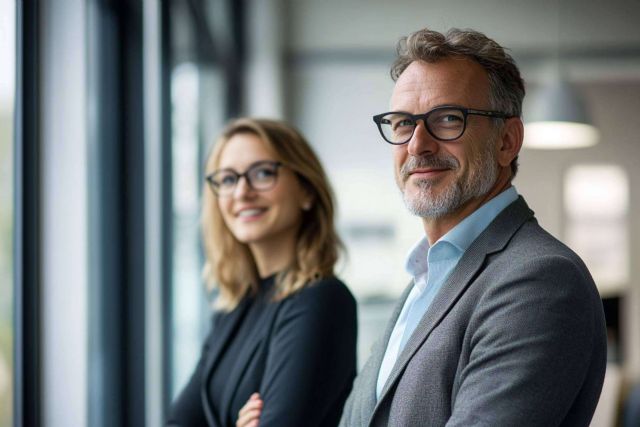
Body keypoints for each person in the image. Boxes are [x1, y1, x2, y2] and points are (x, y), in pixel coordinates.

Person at [339, 28, 607, 426]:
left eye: (448, 119)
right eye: (402, 124)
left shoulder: (540, 279)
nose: (417, 145)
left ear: (507, 140)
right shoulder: (424, 279)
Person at [167, 118, 357, 427]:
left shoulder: (322, 301)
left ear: (306, 191)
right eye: (228, 179)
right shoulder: (233, 309)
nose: (242, 192)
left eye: (262, 173)